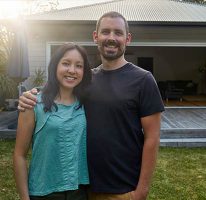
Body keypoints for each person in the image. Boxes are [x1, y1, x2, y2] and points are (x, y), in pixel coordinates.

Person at [18, 11, 165, 200]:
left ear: (127, 38)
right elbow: (58, 90)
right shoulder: (85, 81)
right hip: (85, 187)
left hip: (124, 188)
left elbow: (152, 138)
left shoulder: (143, 80)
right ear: (95, 36)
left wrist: (141, 191)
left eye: (118, 33)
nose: (111, 38)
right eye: (105, 32)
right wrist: (30, 95)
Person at [14, 43, 92, 200]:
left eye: (79, 66)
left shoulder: (87, 104)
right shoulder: (33, 103)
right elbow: (19, 155)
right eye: (66, 63)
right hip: (44, 192)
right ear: (55, 66)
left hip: (79, 191)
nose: (72, 70)